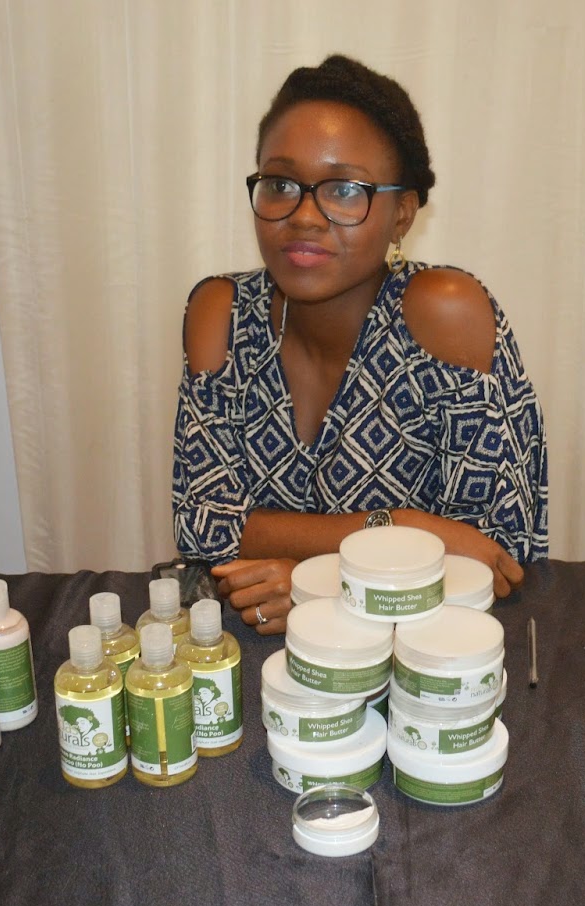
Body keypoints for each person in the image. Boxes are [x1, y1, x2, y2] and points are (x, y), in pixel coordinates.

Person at [173, 55, 548, 635]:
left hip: (428, 658)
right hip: (250, 647)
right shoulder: (221, 314)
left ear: (403, 214)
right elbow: (204, 526)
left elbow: (496, 559)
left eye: (345, 190)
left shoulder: (444, 315)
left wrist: (322, 586)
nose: (304, 216)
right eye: (280, 184)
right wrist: (399, 525)